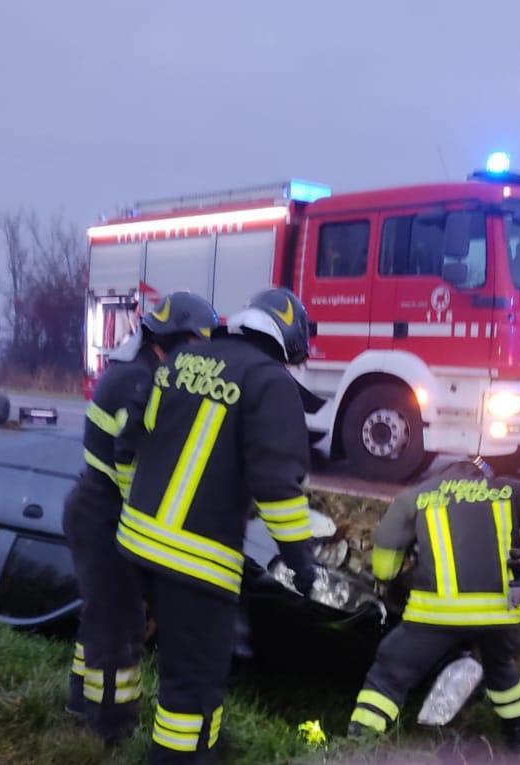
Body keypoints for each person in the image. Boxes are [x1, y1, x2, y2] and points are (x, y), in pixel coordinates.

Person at [115, 287, 319, 762]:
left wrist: (137, 514)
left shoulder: (179, 363)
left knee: (165, 665)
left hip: (134, 547)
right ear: (288, 339)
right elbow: (277, 489)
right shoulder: (271, 383)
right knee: (192, 685)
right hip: (197, 565)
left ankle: (205, 746)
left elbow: (128, 444)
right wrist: (302, 565)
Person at [62, 291, 219, 744]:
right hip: (105, 513)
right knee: (119, 626)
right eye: (197, 343)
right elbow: (130, 462)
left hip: (94, 505)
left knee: (99, 616)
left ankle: (81, 701)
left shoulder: (136, 371)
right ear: (175, 340)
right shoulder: (141, 383)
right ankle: (112, 728)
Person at [347, 459, 520, 755]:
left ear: (444, 474)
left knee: (389, 672)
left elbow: (386, 547)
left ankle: (356, 748)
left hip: (436, 616)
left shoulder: (417, 495)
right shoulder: (504, 491)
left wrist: (387, 581)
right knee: (501, 668)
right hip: (500, 614)